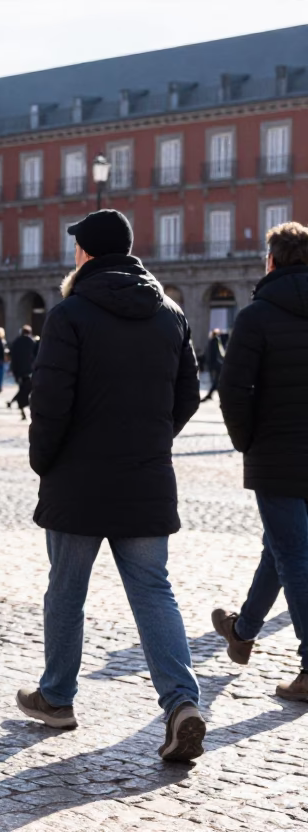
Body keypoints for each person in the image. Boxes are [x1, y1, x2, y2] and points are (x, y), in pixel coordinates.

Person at [16, 209, 205, 763]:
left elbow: (49, 402)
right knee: (153, 591)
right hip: (145, 478)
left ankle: (57, 697)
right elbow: (189, 396)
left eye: (77, 246)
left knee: (66, 591)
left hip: (78, 481)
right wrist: (152, 440)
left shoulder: (70, 314)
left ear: (88, 254)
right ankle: (182, 704)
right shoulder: (170, 314)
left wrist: (45, 462)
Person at [213, 221, 308, 702]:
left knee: (295, 555)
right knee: (283, 545)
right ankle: (243, 630)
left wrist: (246, 439)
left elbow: (233, 389)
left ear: (271, 260)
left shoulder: (257, 314)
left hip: (278, 452)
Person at [6, 325, 38, 420]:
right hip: (29, 370)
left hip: (19, 370)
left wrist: (14, 370)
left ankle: (21, 409)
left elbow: (12, 356)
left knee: (23, 388)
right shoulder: (32, 342)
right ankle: (24, 408)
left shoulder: (16, 342)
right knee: (27, 389)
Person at [199, 328, 226, 402]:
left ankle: (210, 395)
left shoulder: (210, 341)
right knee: (216, 381)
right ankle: (212, 395)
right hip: (216, 364)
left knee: (215, 381)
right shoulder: (217, 341)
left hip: (211, 364)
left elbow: (206, 353)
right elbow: (220, 352)